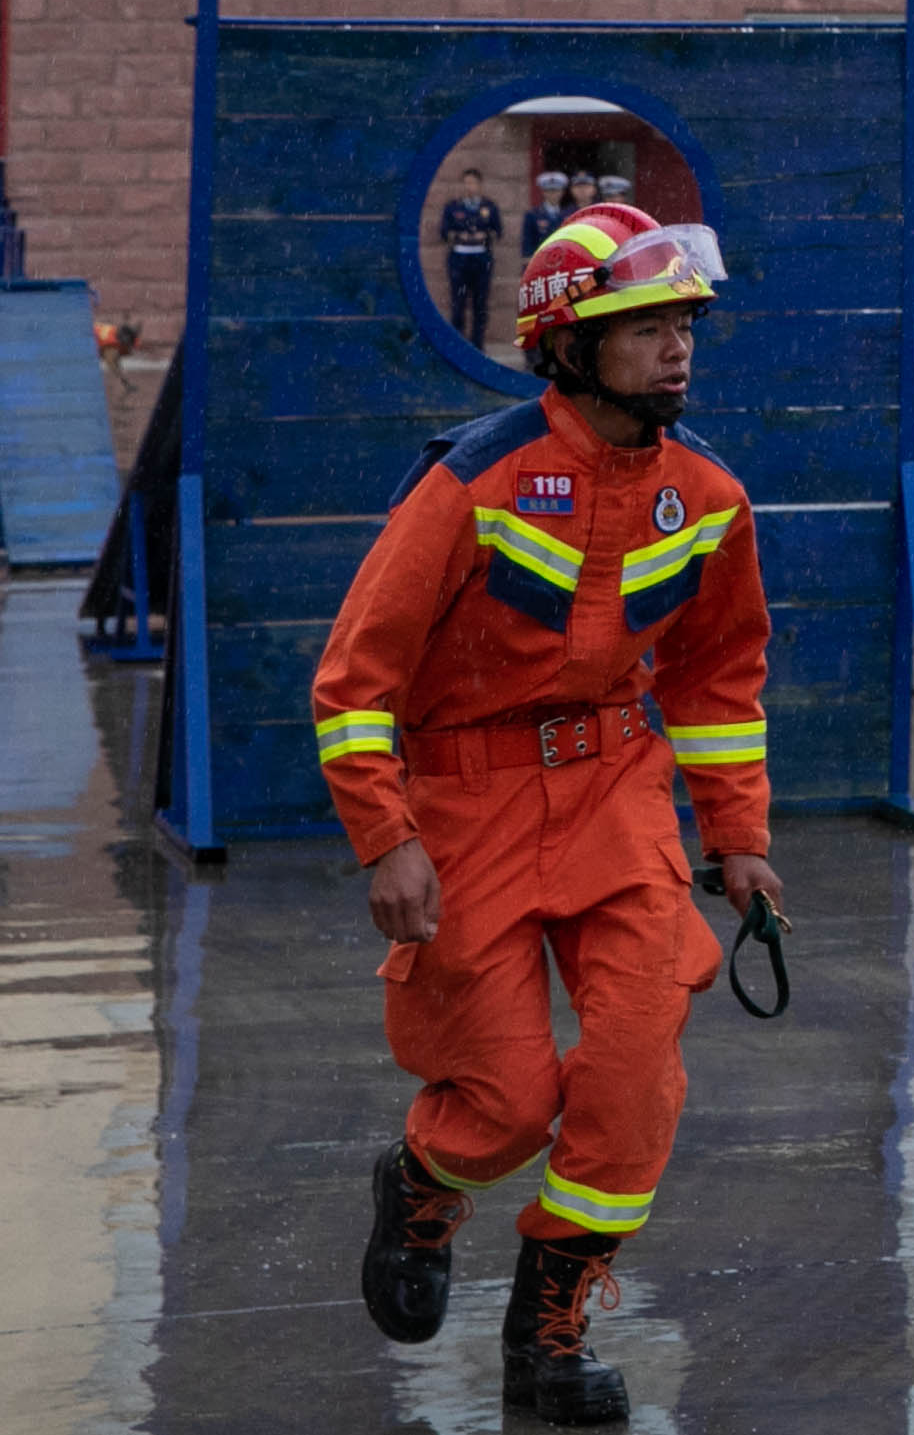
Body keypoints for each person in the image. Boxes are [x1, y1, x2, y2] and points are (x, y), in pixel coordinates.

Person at [310, 203, 781, 1421]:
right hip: (466, 805)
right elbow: (355, 678)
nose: (678, 346)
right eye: (647, 325)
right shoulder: (473, 479)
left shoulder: (708, 494)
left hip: (619, 797)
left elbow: (717, 680)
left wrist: (737, 835)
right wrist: (387, 836)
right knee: (510, 1099)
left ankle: (550, 1328)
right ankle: (423, 1181)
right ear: (569, 343)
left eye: (686, 323)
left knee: (632, 1073)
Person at [437, 183, 506, 346]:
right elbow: (444, 232)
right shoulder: (453, 207)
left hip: (481, 259)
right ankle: (457, 344)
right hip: (459, 259)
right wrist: (459, 235)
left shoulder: (489, 207)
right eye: (466, 183)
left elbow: (498, 231)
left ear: (479, 185)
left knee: (480, 304)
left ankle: (477, 344)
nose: (470, 187)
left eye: (473, 183)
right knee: (458, 304)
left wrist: (485, 235)